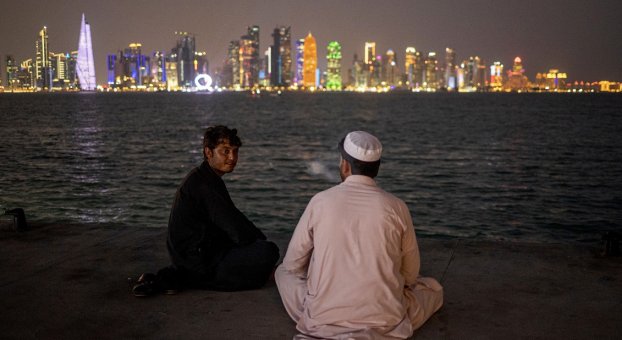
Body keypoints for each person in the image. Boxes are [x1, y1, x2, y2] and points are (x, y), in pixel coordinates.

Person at [275, 131, 443, 339]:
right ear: (376, 168)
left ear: (345, 165)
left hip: (323, 318)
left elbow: (293, 263)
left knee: (283, 272)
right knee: (433, 289)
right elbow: (410, 274)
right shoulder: (396, 206)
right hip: (385, 319)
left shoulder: (320, 201)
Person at [132, 125, 280, 296]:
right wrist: (257, 243)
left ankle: (183, 276)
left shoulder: (205, 177)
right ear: (209, 153)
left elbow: (234, 217)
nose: (232, 158)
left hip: (197, 255)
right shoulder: (205, 185)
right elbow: (236, 229)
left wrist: (255, 237)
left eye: (235, 151)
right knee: (268, 251)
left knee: (259, 248)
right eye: (225, 151)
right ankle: (192, 278)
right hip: (200, 262)